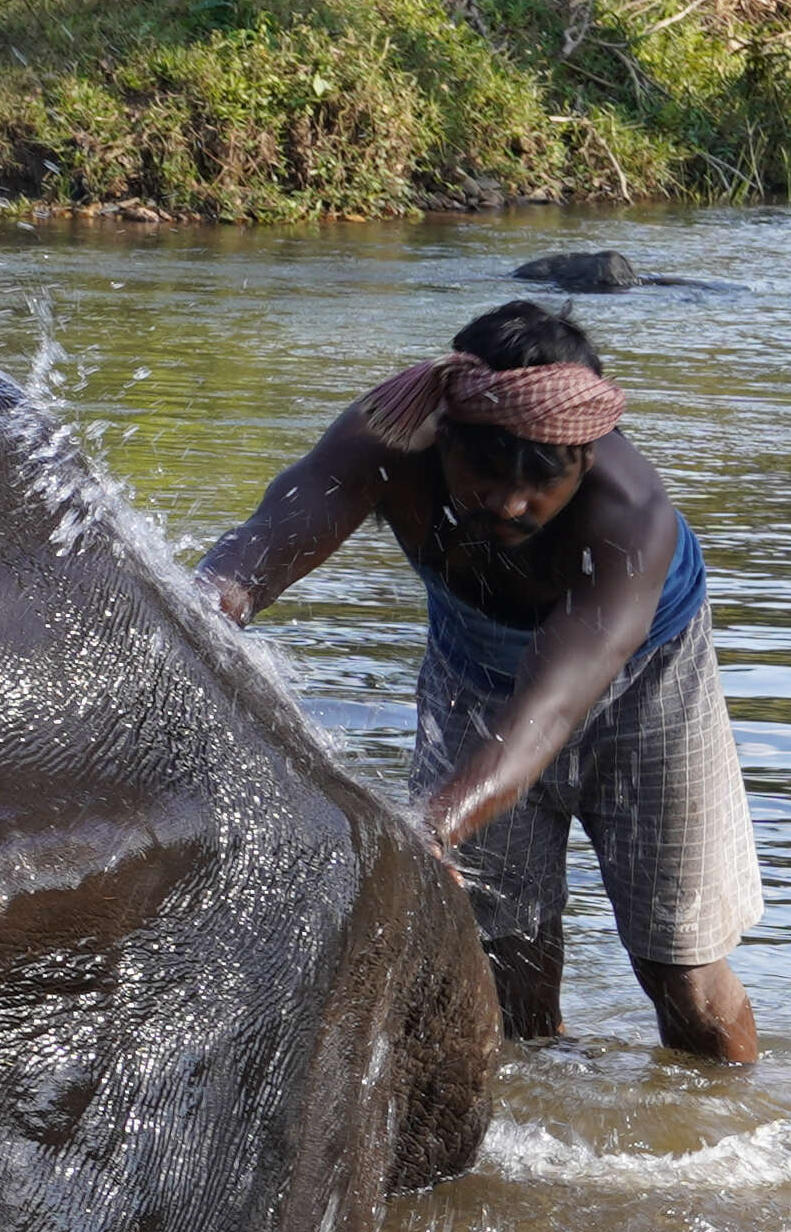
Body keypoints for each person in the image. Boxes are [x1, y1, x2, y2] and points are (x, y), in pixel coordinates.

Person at [198, 298, 760, 1061]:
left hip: (647, 684)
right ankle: (542, 1133)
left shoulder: (634, 518)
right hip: (472, 671)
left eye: (539, 485)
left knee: (679, 970)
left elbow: (548, 714)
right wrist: (197, 614)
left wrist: (431, 825)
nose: (508, 503)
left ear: (587, 461)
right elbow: (257, 554)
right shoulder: (385, 443)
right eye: (484, 473)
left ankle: (733, 1130)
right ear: (442, 440)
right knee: (505, 959)